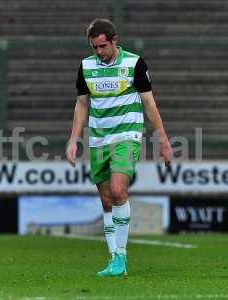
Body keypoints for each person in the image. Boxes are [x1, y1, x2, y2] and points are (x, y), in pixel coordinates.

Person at [66, 18, 172, 277]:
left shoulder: (134, 64)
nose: (99, 52)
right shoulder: (86, 67)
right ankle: (114, 259)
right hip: (99, 138)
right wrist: (73, 139)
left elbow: (149, 103)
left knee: (117, 190)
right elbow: (82, 104)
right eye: (94, 47)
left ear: (114, 41)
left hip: (127, 136)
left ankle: (121, 256)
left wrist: (163, 140)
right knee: (105, 200)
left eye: (103, 46)